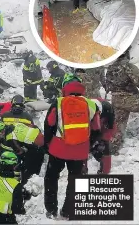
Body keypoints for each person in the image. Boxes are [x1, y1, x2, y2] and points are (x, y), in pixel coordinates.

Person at [43, 74, 101, 219]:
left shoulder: (58, 102)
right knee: (75, 180)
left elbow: (49, 125)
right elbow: (97, 129)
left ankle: (51, 210)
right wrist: (87, 144)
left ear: (64, 87)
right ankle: (68, 211)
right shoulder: (91, 104)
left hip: (58, 149)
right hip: (80, 151)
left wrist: (47, 144)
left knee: (51, 178)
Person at [0, 120, 45, 198]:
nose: (0, 137)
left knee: (27, 169)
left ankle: (28, 190)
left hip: (37, 148)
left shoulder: (10, 137)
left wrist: (21, 163)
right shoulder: (15, 124)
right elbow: (34, 126)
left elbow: (19, 152)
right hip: (41, 138)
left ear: (1, 132)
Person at [105, 49, 139, 154]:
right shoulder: (128, 66)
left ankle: (113, 148)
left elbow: (108, 86)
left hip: (116, 100)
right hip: (130, 99)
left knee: (118, 126)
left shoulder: (111, 69)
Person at [84, 98, 116, 174]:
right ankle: (82, 172)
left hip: (102, 130)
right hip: (86, 130)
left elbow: (111, 128)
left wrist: (103, 138)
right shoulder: (83, 109)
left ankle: (104, 173)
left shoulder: (108, 110)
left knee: (105, 148)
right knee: (83, 148)